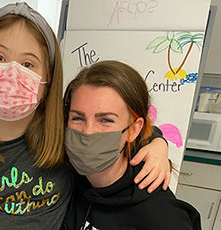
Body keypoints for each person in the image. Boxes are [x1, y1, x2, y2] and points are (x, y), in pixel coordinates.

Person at [0, 3, 170, 230]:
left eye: (28, 64)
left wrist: (158, 143)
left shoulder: (65, 133)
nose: (11, 72)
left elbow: (114, 130)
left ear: (47, 80)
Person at [60, 60, 201, 230]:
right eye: (77, 118)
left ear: (134, 130)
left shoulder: (162, 216)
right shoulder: (64, 179)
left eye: (106, 120)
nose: (88, 132)